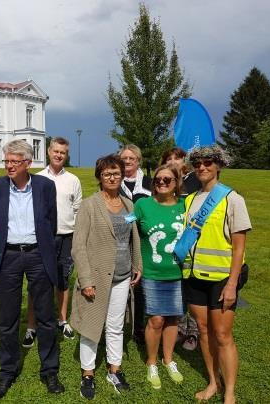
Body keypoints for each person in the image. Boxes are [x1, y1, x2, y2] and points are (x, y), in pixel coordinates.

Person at [0, 139, 64, 399]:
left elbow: (50, 222)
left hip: (38, 255)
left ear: (28, 163)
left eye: (14, 161)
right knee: (7, 319)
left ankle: (49, 370)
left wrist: (42, 248)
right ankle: (7, 370)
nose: (8, 165)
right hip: (8, 256)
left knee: (45, 315)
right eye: (6, 160)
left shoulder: (45, 186)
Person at [181, 146, 251, 404]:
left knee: (222, 335)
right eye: (197, 163)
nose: (202, 167)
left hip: (222, 279)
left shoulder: (232, 198)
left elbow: (239, 245)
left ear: (219, 165)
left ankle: (229, 392)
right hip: (195, 275)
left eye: (208, 162)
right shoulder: (190, 199)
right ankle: (213, 382)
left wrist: (232, 284)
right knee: (203, 330)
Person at [70, 154, 142, 400]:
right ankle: (88, 373)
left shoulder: (128, 204)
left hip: (122, 276)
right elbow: (78, 246)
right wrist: (86, 280)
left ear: (122, 175)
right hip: (97, 277)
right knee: (91, 327)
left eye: (116, 173)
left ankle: (114, 369)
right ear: (100, 177)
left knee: (115, 325)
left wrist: (137, 264)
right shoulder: (90, 205)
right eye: (106, 174)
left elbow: (133, 237)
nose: (112, 177)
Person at [23, 137, 82, 347]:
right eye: (55, 151)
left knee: (63, 280)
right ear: (49, 152)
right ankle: (32, 325)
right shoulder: (36, 178)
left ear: (66, 155)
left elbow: (77, 209)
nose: (58, 155)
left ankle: (62, 319)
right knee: (37, 283)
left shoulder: (73, 180)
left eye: (63, 152)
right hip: (42, 238)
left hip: (66, 236)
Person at [134, 164, 185, 390]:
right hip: (152, 272)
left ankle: (169, 359)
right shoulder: (142, 205)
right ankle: (152, 362)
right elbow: (124, 223)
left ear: (176, 183)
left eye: (167, 180)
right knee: (156, 319)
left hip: (179, 273)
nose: (162, 183)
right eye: (158, 180)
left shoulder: (186, 207)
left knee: (173, 318)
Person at [160, 147, 201, 350]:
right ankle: (179, 329)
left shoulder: (195, 180)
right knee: (178, 290)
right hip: (172, 241)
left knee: (191, 290)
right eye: (169, 159)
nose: (173, 161)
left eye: (177, 158)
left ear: (183, 160)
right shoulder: (165, 180)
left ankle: (193, 331)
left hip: (192, 242)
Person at [118, 144, 151, 345]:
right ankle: (118, 325)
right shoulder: (114, 180)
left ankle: (138, 326)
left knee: (139, 285)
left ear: (138, 160)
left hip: (144, 239)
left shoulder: (148, 183)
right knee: (120, 282)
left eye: (132, 158)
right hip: (120, 239)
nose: (128, 161)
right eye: (124, 158)